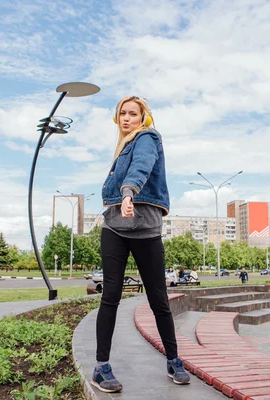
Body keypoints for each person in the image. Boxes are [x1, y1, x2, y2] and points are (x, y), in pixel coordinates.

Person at [91, 96, 190, 393]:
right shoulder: (121, 146)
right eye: (122, 113)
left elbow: (142, 166)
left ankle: (173, 360)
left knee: (159, 299)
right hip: (114, 229)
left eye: (132, 114)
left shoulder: (148, 137)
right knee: (110, 296)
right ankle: (101, 367)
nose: (126, 118)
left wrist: (128, 193)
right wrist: (119, 199)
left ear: (143, 117)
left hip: (145, 228)